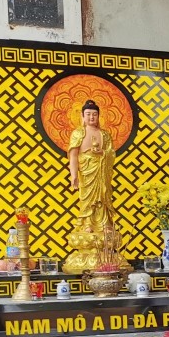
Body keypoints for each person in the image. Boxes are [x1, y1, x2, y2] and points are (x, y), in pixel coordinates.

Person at [64, 98, 126, 273]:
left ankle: (105, 225)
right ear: (82, 116)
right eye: (88, 114)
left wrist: (103, 153)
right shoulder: (78, 133)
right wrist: (74, 174)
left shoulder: (105, 134)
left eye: (94, 114)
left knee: (103, 198)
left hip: (101, 170)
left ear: (99, 116)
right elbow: (73, 155)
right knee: (87, 199)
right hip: (86, 170)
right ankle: (87, 224)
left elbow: (111, 153)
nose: (92, 117)